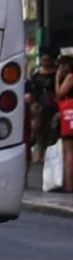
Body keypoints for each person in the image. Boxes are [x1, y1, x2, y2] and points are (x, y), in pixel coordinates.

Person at [55, 54, 73, 194]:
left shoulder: (70, 77)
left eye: (64, 64)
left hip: (70, 116)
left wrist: (57, 79)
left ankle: (69, 185)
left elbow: (60, 94)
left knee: (69, 152)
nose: (62, 67)